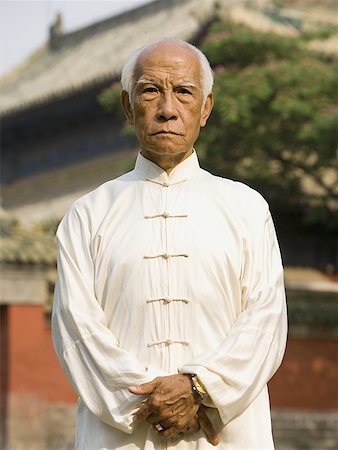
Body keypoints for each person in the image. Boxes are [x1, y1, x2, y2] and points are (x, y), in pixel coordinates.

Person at [52, 38, 287, 449]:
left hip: (225, 434)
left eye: (183, 92)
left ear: (205, 108)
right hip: (122, 434)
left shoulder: (247, 208)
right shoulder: (87, 215)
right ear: (128, 107)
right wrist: (153, 402)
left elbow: (265, 323)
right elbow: (77, 331)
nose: (167, 108)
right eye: (150, 90)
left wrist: (201, 389)